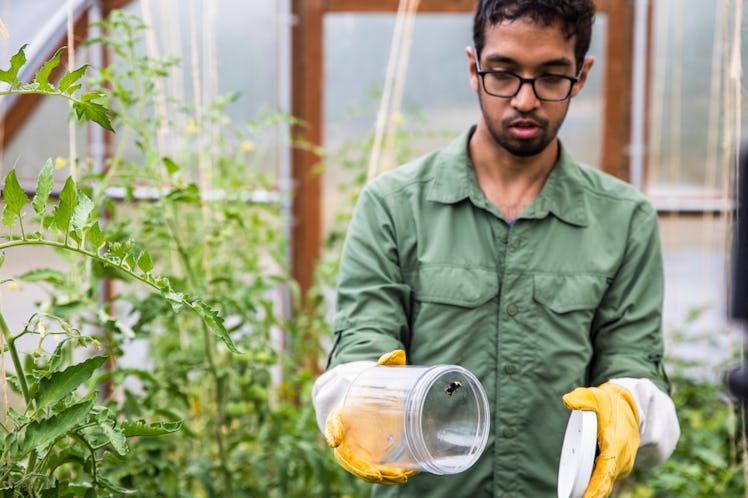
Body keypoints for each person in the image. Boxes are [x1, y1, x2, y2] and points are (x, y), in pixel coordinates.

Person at [312, 0, 680, 496]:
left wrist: (630, 406)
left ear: (582, 74)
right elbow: (363, 345)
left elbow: (634, 364)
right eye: (504, 74)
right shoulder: (394, 205)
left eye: (551, 77)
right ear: (473, 68)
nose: (525, 101)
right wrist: (358, 398)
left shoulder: (624, 219)